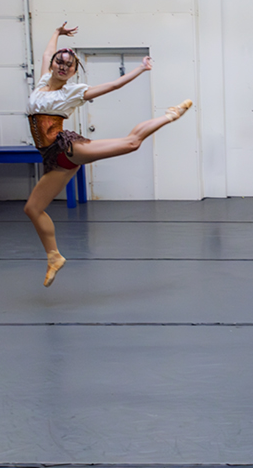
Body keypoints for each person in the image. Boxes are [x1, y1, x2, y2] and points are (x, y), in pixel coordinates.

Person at [24, 23, 192, 287]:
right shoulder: (43, 81)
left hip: (64, 149)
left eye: (69, 65)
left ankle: (170, 115)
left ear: (73, 72)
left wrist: (140, 68)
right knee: (33, 209)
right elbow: (46, 54)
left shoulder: (72, 92)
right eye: (60, 62)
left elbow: (113, 86)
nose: (63, 66)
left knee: (130, 144)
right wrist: (56, 33)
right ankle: (54, 256)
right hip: (53, 160)